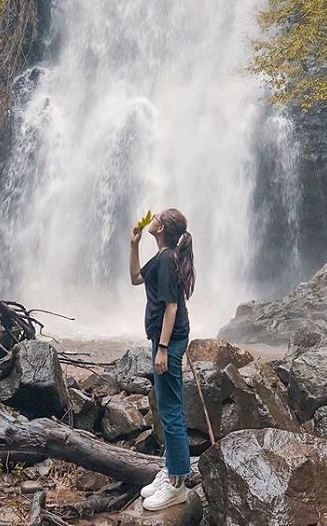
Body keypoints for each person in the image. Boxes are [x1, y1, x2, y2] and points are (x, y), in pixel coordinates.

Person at [129, 208, 196, 512]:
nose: (151, 217)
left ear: (162, 228)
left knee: (170, 411)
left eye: (156, 217)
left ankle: (178, 484)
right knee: (168, 406)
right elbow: (135, 279)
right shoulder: (162, 256)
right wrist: (133, 244)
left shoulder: (168, 259)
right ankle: (170, 470)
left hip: (169, 340)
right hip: (162, 337)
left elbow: (171, 306)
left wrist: (164, 348)